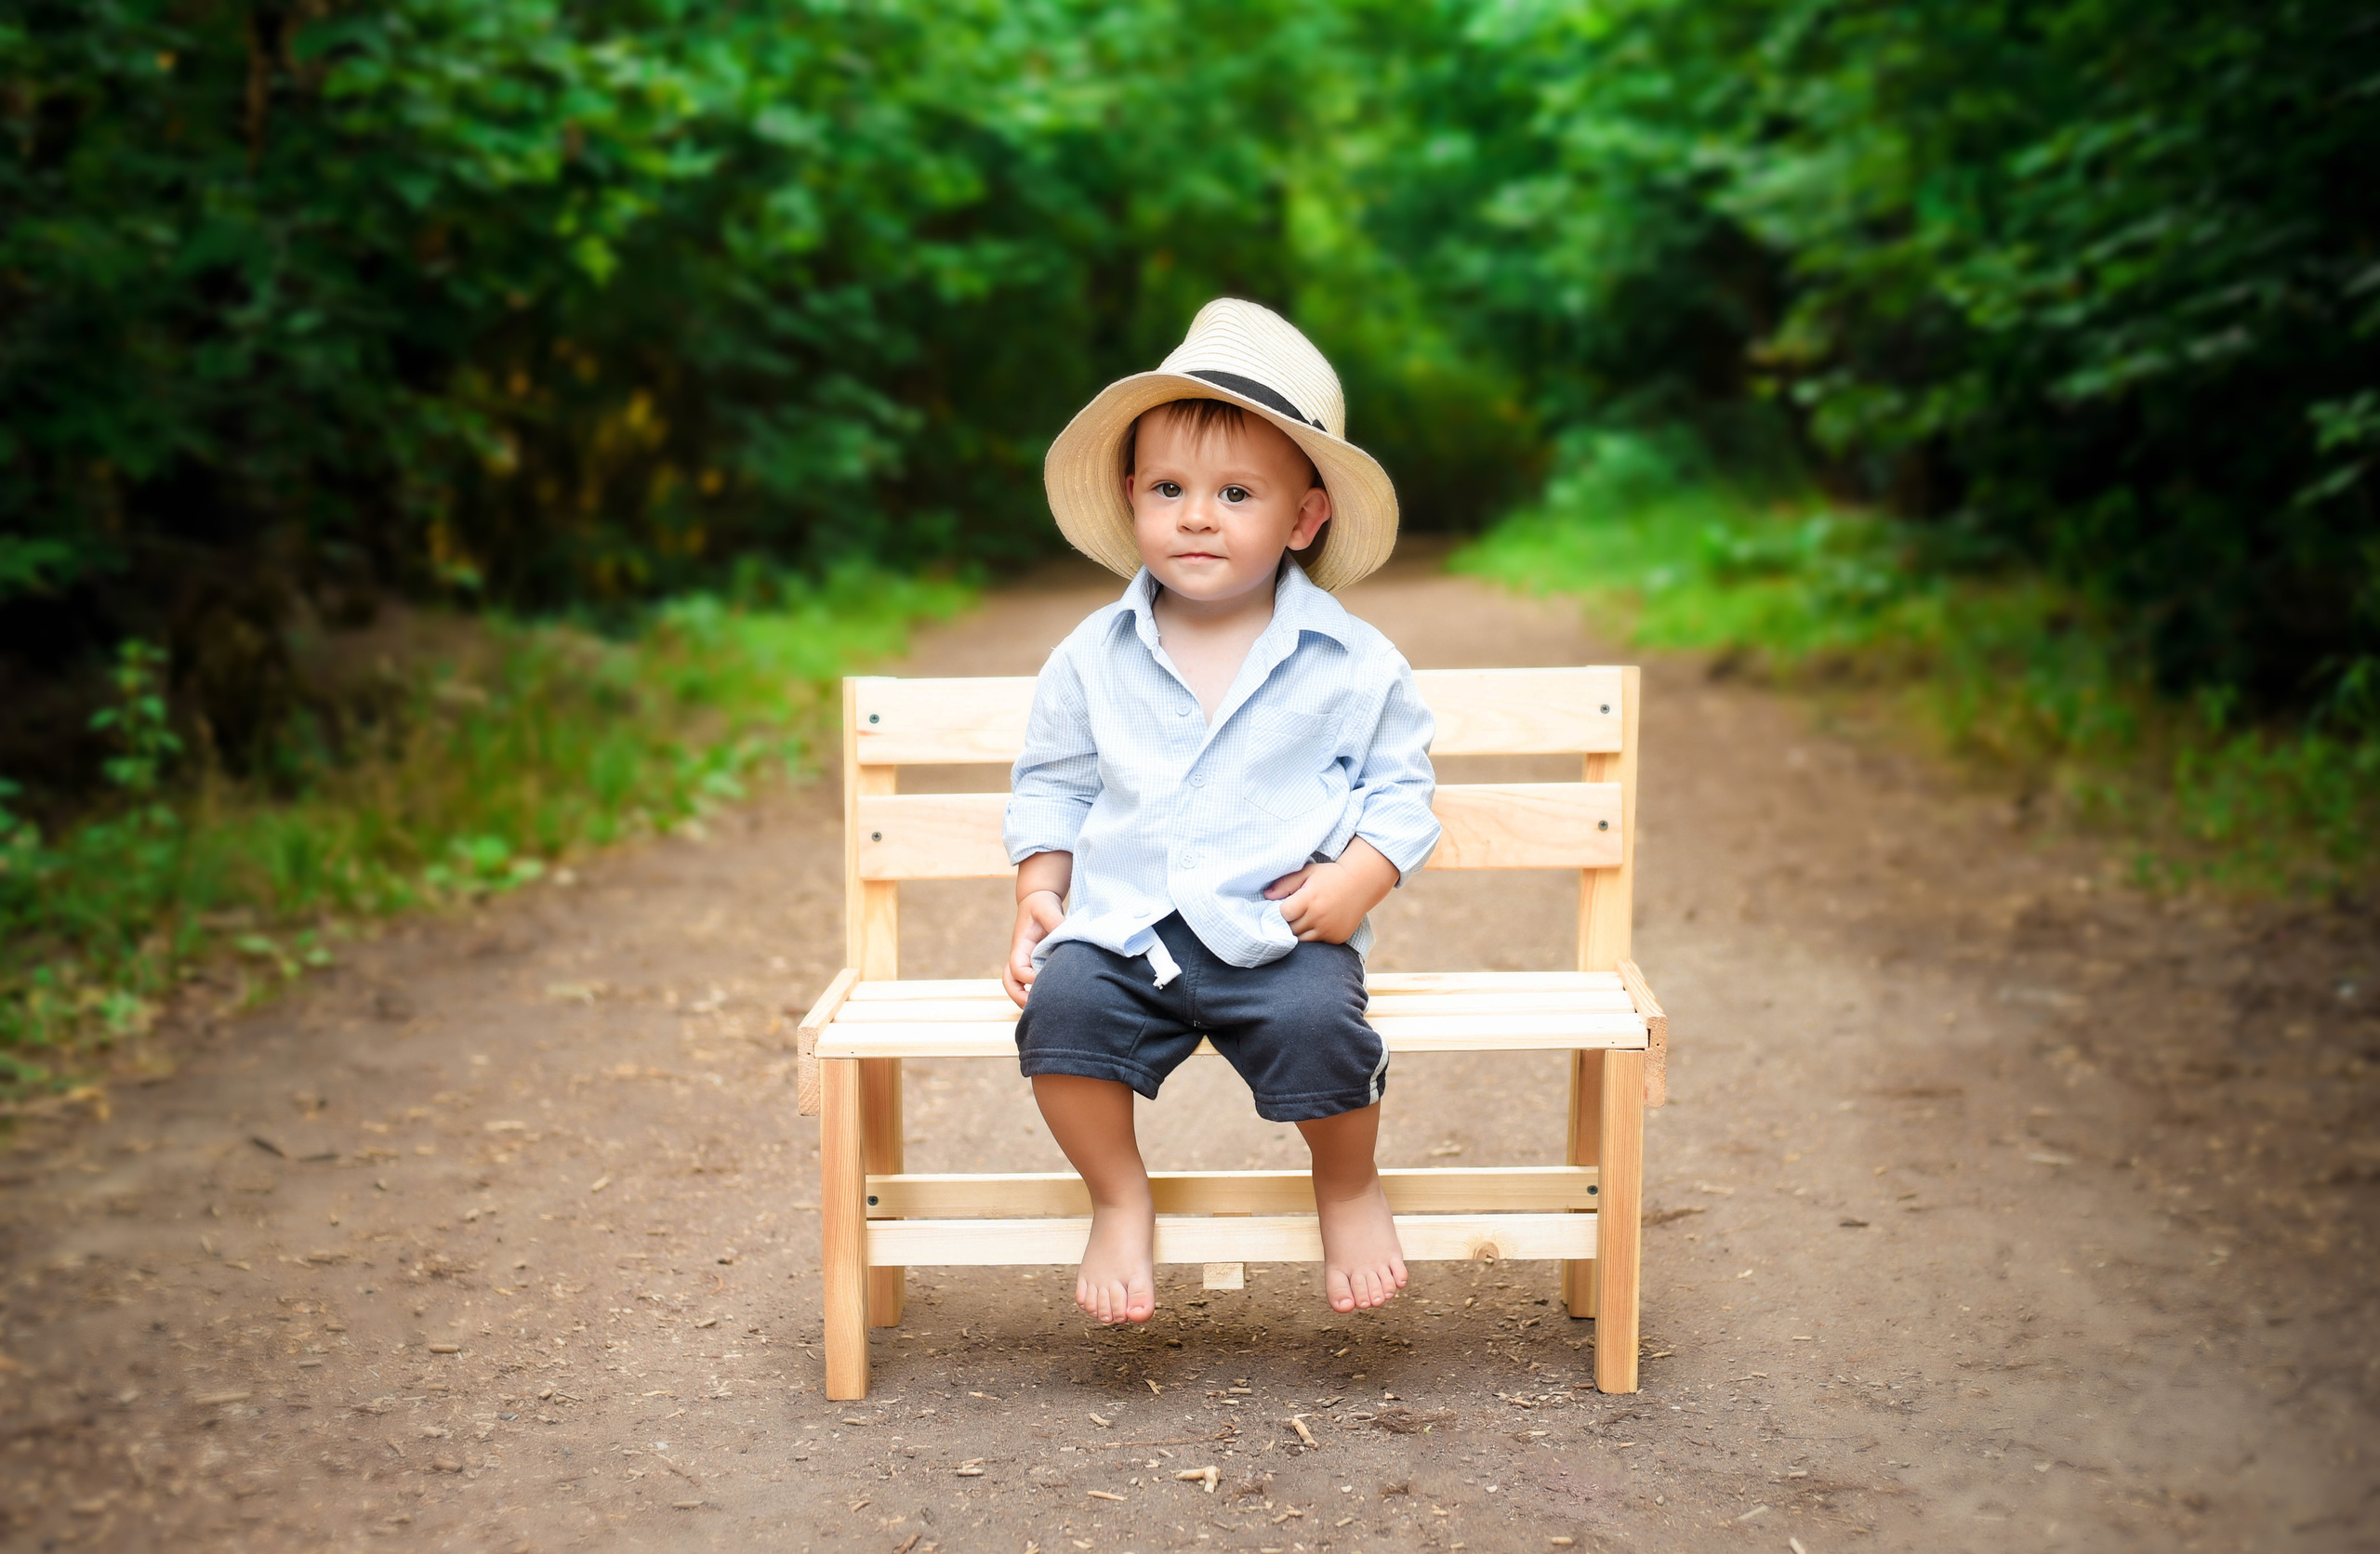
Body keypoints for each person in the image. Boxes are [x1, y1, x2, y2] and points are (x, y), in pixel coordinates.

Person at [1002, 298, 1442, 1325]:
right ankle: (1118, 1196)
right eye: (1170, 488)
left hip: (1277, 927)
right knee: (1059, 1015)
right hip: (1126, 928)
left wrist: (1358, 877)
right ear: (1133, 498)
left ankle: (1348, 1186)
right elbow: (1054, 782)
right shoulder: (1091, 655)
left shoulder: (1350, 660)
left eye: (1236, 493)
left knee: (1321, 1028)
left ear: (1304, 518)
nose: (1197, 516)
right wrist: (1039, 888)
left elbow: (1400, 786)